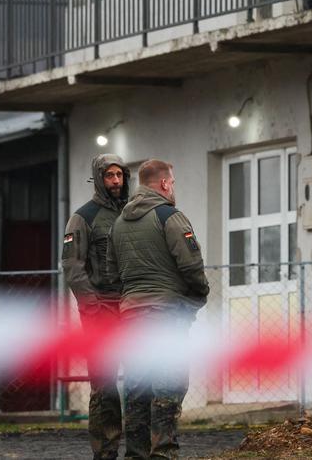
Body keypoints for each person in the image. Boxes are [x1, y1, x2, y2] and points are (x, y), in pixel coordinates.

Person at [106, 159, 209, 460]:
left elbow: (113, 275)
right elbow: (192, 266)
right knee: (169, 383)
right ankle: (163, 453)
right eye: (172, 182)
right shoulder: (170, 217)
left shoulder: (118, 224)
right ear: (164, 183)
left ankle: (136, 455)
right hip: (166, 315)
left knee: (137, 389)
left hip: (131, 317)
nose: (173, 187)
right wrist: (195, 299)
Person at [63, 154, 131, 460]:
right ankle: (105, 452)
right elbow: (72, 267)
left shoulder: (132, 214)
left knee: (142, 380)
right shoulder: (83, 217)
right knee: (103, 386)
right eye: (110, 176)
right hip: (100, 310)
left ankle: (140, 450)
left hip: (132, 308)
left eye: (120, 175)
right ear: (98, 178)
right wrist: (92, 308)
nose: (116, 181)